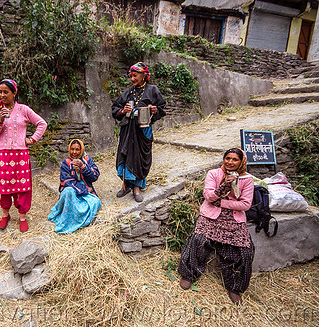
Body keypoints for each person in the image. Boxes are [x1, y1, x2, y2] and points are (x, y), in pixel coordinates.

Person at [178, 147, 255, 305]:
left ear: (241, 162)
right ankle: (189, 274)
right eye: (227, 158)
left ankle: (234, 286)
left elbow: (245, 204)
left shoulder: (247, 179)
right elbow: (208, 196)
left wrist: (222, 203)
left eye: (235, 159)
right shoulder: (214, 174)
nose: (230, 162)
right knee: (199, 239)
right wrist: (224, 187)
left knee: (244, 250)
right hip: (211, 214)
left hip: (233, 219)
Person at [0, 79, 47, 232]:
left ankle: (22, 216)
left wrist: (32, 139)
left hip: (21, 154)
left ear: (14, 93)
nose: (2, 95)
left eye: (5, 92)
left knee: (22, 186)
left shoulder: (24, 109)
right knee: (3, 186)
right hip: (2, 155)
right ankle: (5, 214)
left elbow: (42, 123)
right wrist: (0, 120)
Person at [111, 62, 166, 202]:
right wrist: (123, 111)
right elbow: (115, 108)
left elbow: (162, 108)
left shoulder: (153, 90)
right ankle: (125, 185)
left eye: (135, 75)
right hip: (128, 130)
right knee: (125, 156)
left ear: (143, 75)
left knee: (140, 158)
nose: (132, 79)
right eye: (130, 76)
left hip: (143, 131)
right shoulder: (128, 92)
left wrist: (155, 110)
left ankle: (136, 188)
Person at [48, 139, 101, 233]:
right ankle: (67, 222)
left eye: (77, 149)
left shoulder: (87, 160)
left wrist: (83, 166)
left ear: (81, 150)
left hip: (85, 191)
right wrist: (84, 189)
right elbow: (66, 181)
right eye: (72, 149)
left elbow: (95, 176)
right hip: (72, 191)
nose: (74, 152)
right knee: (69, 191)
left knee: (96, 202)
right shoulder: (66, 163)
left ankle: (80, 220)